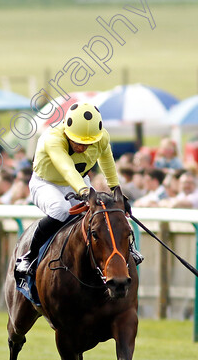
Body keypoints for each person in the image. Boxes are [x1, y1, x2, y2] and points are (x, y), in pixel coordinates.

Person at [14, 102, 143, 278]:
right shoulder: (52, 139)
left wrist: (117, 191)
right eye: (78, 142)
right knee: (60, 210)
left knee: (104, 211)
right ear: (67, 132)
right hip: (47, 183)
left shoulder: (101, 137)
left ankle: (128, 249)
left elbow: (107, 161)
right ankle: (29, 256)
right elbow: (66, 168)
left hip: (79, 180)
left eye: (88, 144)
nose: (82, 148)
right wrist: (83, 191)